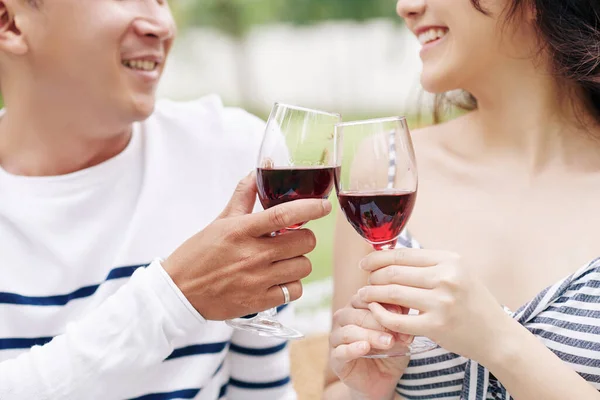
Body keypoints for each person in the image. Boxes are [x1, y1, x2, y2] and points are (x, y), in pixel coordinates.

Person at [0, 0, 332, 399]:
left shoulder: (231, 153)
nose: (162, 23)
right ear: (10, 23)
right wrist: (176, 297)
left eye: (162, 0)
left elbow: (261, 391)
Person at [325, 0, 600, 399]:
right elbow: (336, 387)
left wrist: (500, 344)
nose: (406, 6)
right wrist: (370, 390)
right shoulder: (386, 169)